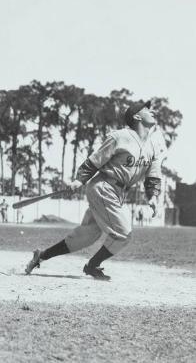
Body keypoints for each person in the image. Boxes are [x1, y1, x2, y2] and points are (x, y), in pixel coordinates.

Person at [25, 101, 162, 281]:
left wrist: (152, 197)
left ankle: (41, 255)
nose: (151, 111)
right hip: (104, 187)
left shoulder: (153, 146)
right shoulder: (119, 137)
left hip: (119, 193)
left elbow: (153, 176)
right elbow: (95, 161)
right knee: (123, 233)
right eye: (146, 109)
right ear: (137, 117)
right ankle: (92, 266)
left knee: (86, 236)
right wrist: (78, 180)